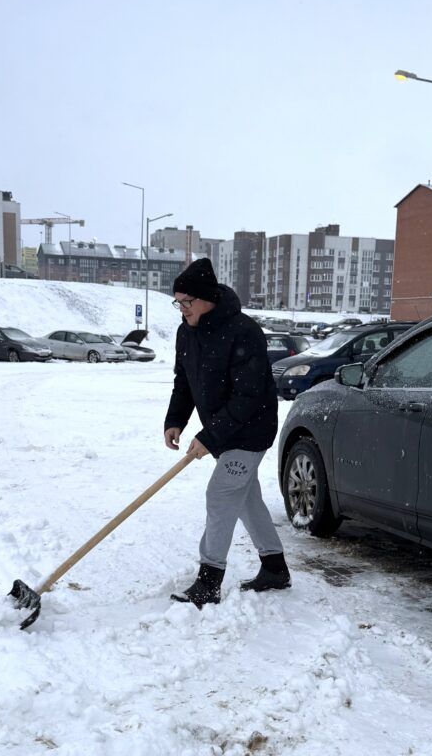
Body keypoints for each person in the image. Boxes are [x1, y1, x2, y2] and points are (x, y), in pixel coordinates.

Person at [164, 258, 291, 608]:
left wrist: (210, 436)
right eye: (177, 302)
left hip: (250, 430)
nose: (182, 308)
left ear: (207, 299)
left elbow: (248, 396)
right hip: (223, 431)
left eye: (186, 302)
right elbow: (184, 382)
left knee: (221, 495)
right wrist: (175, 419)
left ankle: (209, 581)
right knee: (246, 500)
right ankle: (275, 568)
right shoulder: (185, 332)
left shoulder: (243, 331)